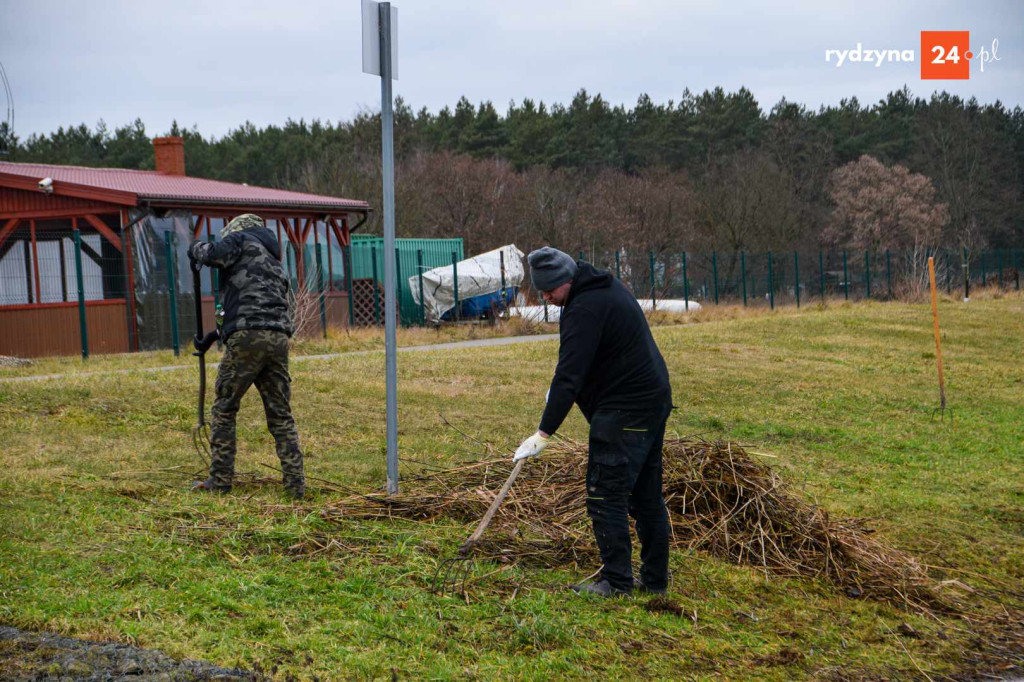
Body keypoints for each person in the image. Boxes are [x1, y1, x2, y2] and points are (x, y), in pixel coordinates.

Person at [514, 246, 673, 597]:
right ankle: (656, 581)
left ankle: (617, 583)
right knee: (646, 494)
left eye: (550, 289)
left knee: (606, 493)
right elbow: (584, 364)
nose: (546, 297)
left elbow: (569, 374)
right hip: (651, 400)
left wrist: (544, 433)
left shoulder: (584, 308)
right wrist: (558, 391)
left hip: (625, 410)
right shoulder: (603, 288)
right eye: (541, 290)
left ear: (565, 280)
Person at [187, 214, 305, 499]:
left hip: (246, 338)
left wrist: (194, 248)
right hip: (277, 339)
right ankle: (295, 485)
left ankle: (220, 481)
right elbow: (253, 303)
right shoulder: (274, 260)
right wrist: (213, 337)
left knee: (225, 408)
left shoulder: (240, 239)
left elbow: (213, 254)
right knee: (280, 414)